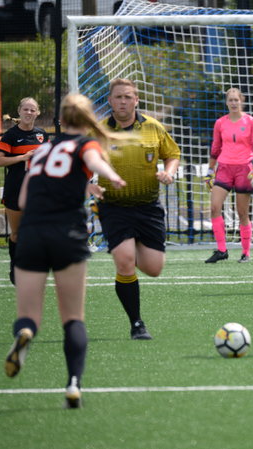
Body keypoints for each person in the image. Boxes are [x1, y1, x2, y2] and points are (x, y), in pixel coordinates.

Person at [4, 93, 128, 409]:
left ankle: (25, 332)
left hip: (32, 233)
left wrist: (81, 185)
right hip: (67, 233)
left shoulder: (43, 148)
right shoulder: (85, 144)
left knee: (28, 315)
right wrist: (112, 176)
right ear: (87, 118)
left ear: (61, 118)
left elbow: (25, 198)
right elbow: (94, 162)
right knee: (73, 318)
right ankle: (73, 384)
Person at [94, 78, 181, 340]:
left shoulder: (153, 127)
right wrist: (87, 185)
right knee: (125, 262)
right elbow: (81, 162)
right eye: (118, 97)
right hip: (114, 207)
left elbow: (172, 154)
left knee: (154, 268)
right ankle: (136, 323)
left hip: (148, 207)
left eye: (128, 97)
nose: (123, 101)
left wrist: (168, 172)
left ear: (136, 100)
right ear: (110, 100)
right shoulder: (98, 131)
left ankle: (133, 249)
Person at [203, 88, 253, 264]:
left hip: (244, 169)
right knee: (214, 207)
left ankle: (246, 252)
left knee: (242, 212)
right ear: (226, 102)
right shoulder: (220, 123)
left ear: (241, 101)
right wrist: (210, 170)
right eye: (230, 100)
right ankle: (222, 250)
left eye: (236, 100)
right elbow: (215, 147)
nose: (234, 103)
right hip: (224, 168)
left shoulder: (251, 122)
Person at [0, 97, 49, 284]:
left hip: (37, 191)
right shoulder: (10, 135)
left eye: (32, 110)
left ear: (38, 113)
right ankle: (15, 266)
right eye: (26, 109)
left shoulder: (42, 135)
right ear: (19, 111)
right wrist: (23, 157)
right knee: (17, 233)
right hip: (15, 190)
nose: (29, 113)